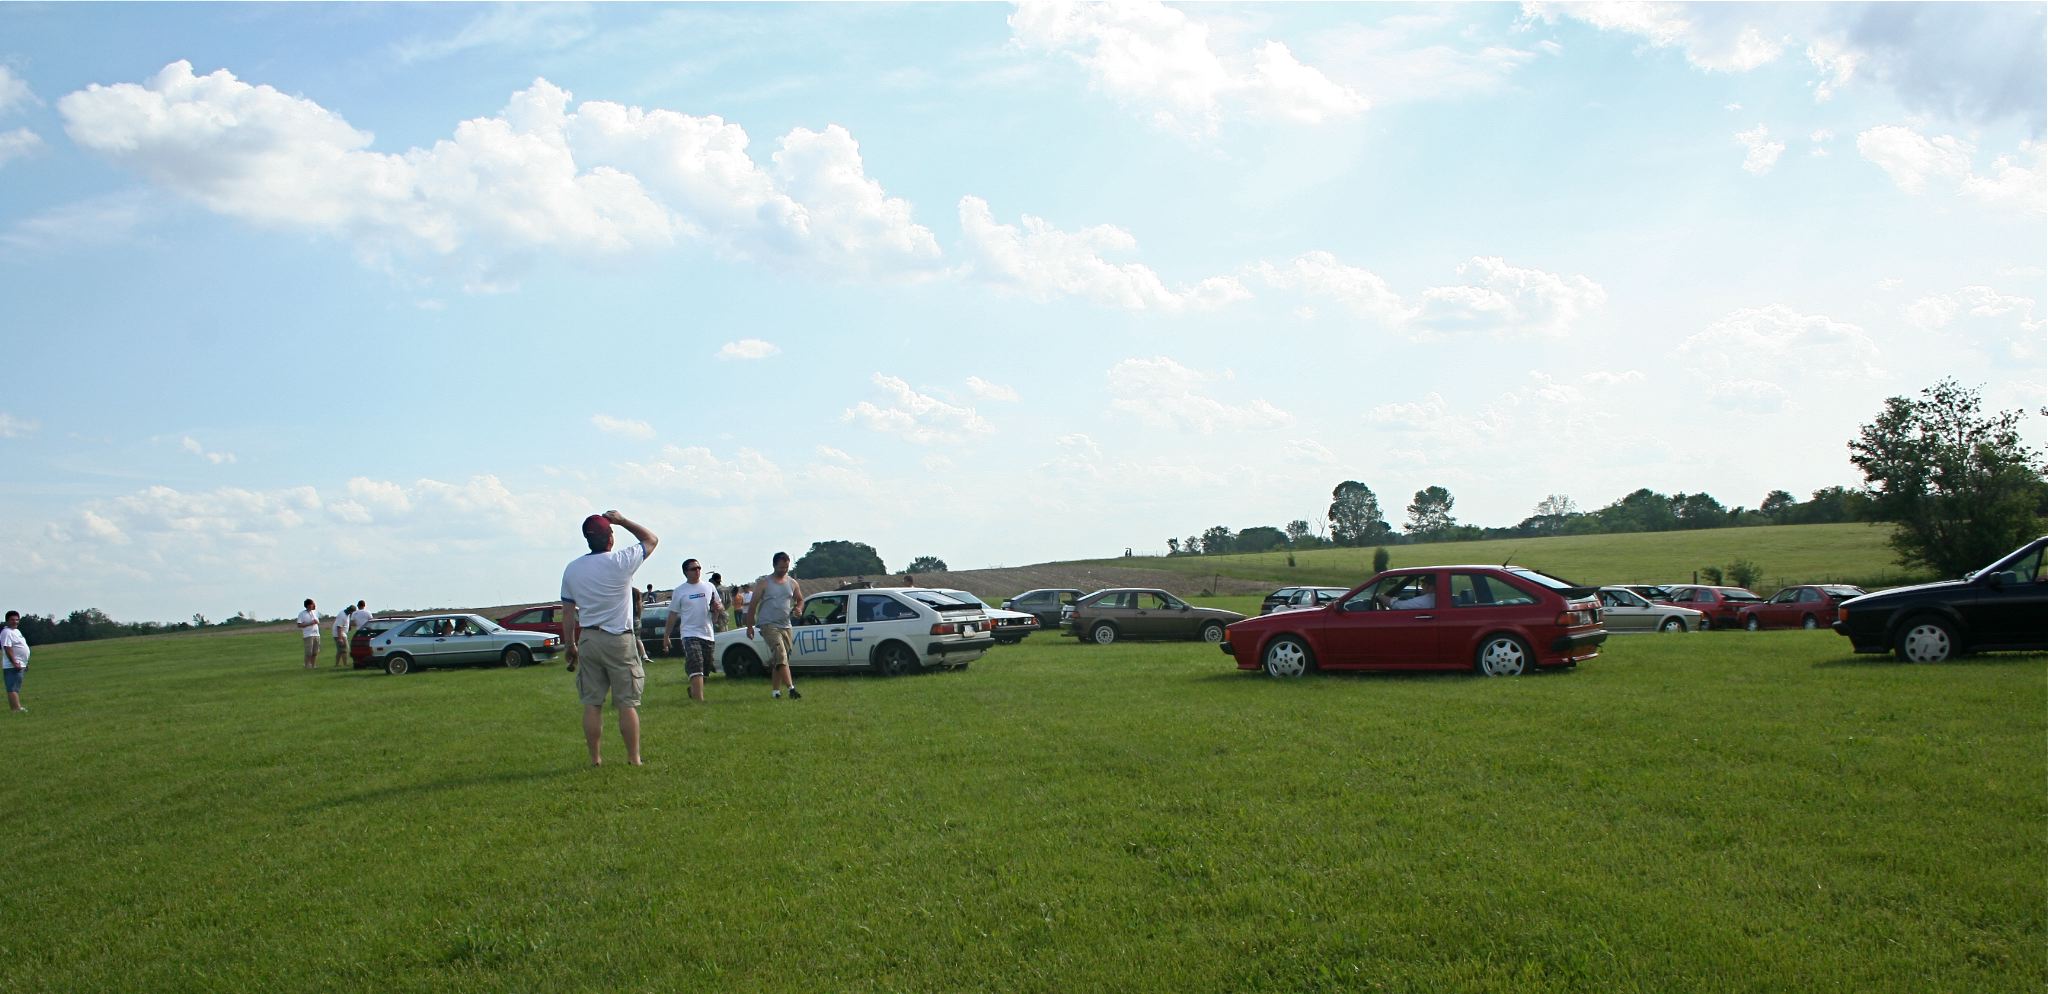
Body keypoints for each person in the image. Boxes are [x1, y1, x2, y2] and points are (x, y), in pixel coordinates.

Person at [561, 510, 658, 767]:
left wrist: (570, 644)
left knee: (592, 703)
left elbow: (568, 612)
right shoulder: (621, 561)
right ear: (610, 538)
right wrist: (623, 520)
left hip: (589, 639)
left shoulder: (572, 569)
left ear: (587, 539)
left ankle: (595, 759)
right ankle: (633, 758)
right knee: (626, 703)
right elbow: (651, 539)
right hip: (619, 639)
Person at [663, 558, 725, 703]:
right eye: (693, 569)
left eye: (699, 568)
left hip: (707, 633)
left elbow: (719, 605)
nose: (697, 571)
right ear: (686, 572)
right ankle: (699, 702)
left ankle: (693, 690)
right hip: (689, 633)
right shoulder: (680, 591)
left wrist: (718, 608)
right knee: (696, 664)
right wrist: (666, 636)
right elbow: (672, 615)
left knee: (705, 669)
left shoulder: (709, 587)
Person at [746, 551, 805, 700]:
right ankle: (791, 689)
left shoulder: (792, 583)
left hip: (786, 625)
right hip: (768, 624)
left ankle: (776, 692)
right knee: (780, 654)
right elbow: (752, 606)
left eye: (786, 567)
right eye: (781, 567)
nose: (784, 570)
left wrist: (798, 609)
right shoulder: (764, 583)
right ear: (774, 565)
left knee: (780, 659)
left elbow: (800, 600)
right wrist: (749, 626)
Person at [2, 611, 28, 712]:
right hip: (12, 666)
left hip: (20, 664)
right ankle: (16, 709)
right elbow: (7, 648)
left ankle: (17, 707)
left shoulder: (16, 631)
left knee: (16, 687)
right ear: (7, 621)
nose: (15, 622)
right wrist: (14, 662)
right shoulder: (7, 632)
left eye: (17, 620)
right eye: (12, 620)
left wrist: (25, 662)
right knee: (12, 687)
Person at [295, 598, 321, 669]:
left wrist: (316, 622)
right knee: (309, 652)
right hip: (308, 635)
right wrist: (310, 623)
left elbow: (317, 622)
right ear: (308, 605)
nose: (313, 605)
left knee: (315, 652)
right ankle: (307, 665)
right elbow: (299, 625)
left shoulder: (315, 612)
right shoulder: (302, 614)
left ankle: (313, 665)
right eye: (312, 604)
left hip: (316, 634)